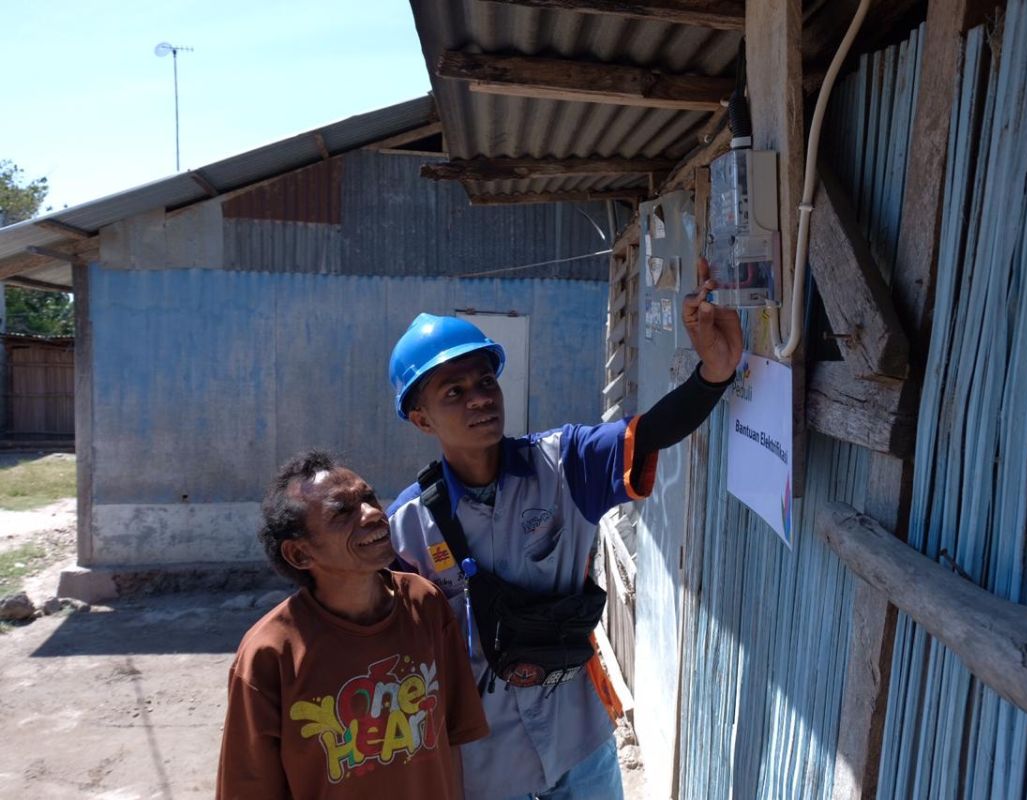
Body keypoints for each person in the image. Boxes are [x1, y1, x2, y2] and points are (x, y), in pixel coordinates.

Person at [386, 265, 743, 800]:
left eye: (485, 381)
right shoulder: (407, 526)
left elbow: (650, 431)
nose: (479, 398)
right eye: (453, 392)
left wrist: (713, 373)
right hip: (484, 763)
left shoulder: (565, 463)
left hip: (578, 740)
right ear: (421, 419)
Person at [217, 450, 489, 799]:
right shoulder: (269, 653)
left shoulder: (426, 604)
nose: (374, 513)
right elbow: (250, 788)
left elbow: (451, 738)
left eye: (369, 497)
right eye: (342, 512)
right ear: (300, 554)